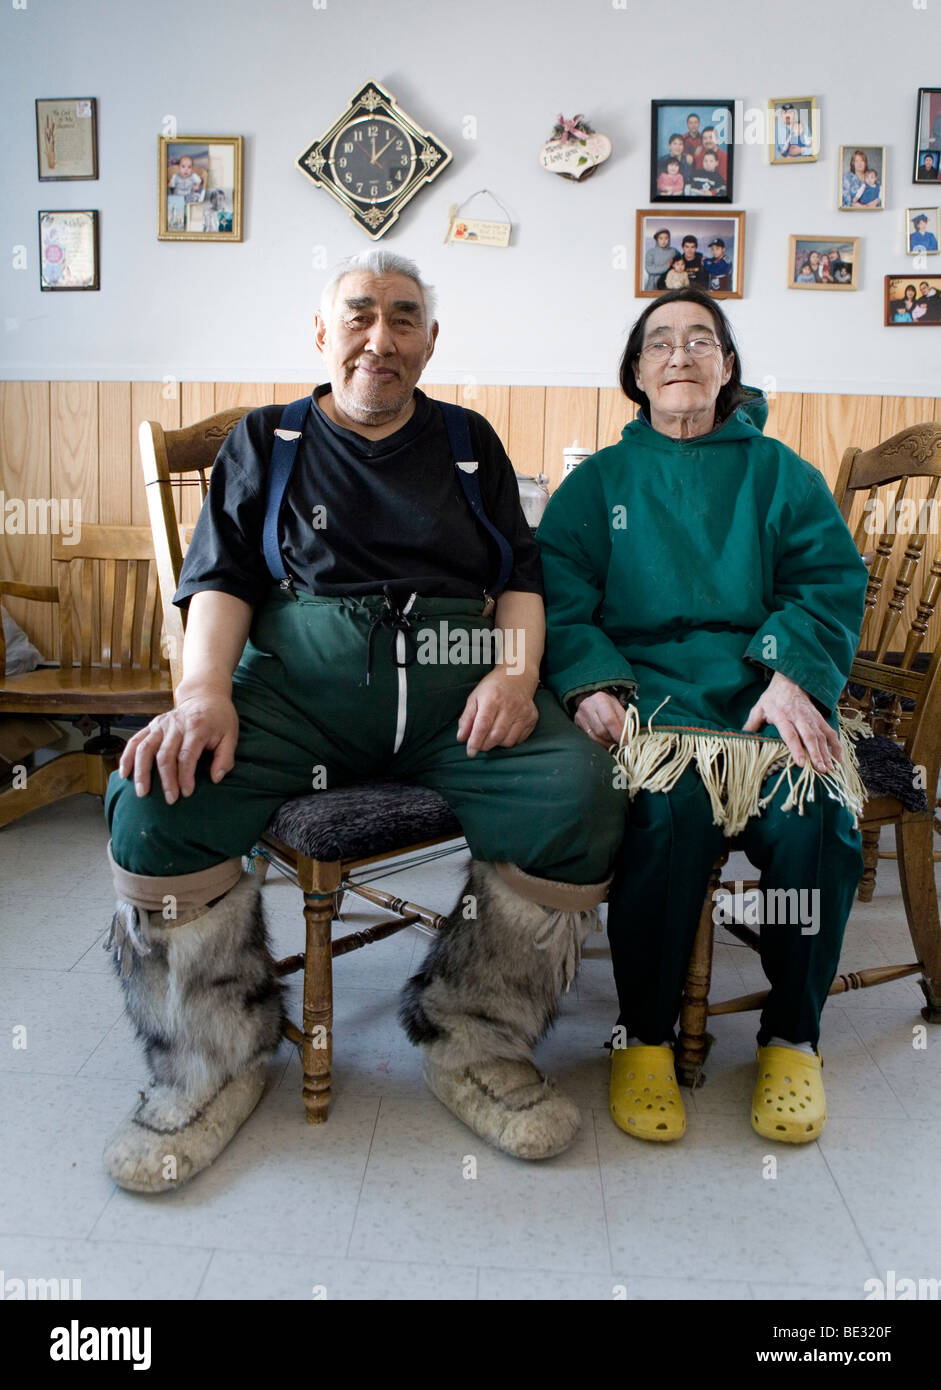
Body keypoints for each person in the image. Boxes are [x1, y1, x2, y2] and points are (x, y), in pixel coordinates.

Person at [101, 249, 627, 1192]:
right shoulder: (267, 441)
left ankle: (475, 1038)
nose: (378, 338)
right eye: (357, 315)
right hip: (296, 696)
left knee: (579, 791)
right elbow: (219, 582)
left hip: (454, 702)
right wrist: (200, 696)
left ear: (430, 341)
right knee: (154, 800)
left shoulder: (470, 442)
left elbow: (519, 579)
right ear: (321, 332)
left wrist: (514, 676)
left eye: (402, 317)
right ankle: (210, 1060)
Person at [537, 288, 868, 1147]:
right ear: (636, 374)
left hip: (762, 697)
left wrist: (793, 674)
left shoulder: (779, 474)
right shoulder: (594, 485)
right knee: (663, 814)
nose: (679, 355)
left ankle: (793, 1037)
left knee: (817, 817)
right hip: (652, 705)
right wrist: (587, 685)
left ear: (726, 368)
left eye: (700, 341)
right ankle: (643, 1039)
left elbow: (826, 584)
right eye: (658, 344)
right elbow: (558, 603)